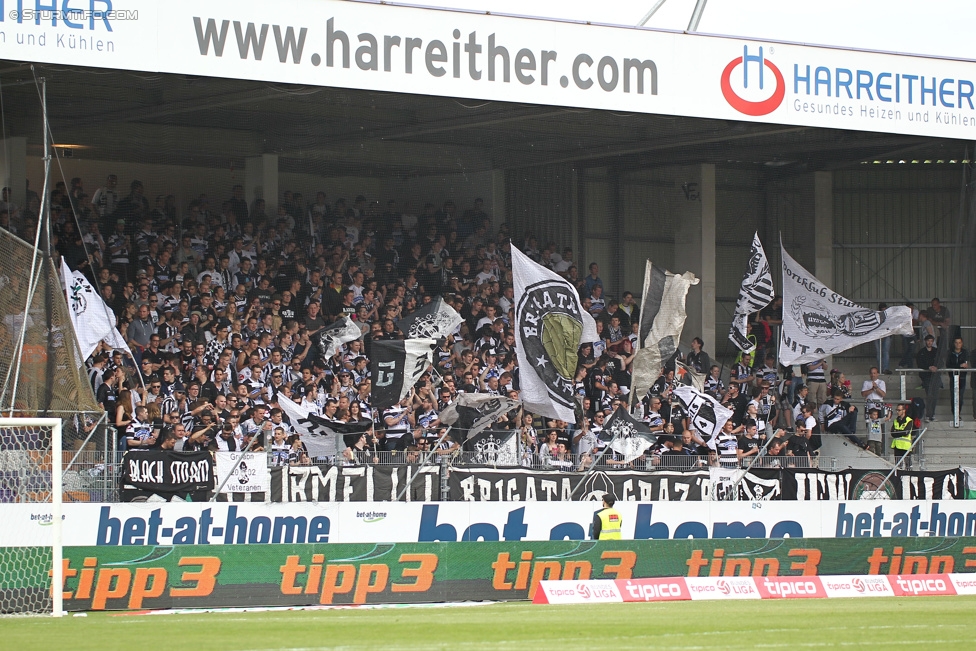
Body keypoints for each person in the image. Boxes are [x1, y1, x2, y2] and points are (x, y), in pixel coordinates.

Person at [916, 334, 940, 421]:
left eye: (931, 341)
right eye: (928, 341)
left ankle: (932, 414)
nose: (929, 342)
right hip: (926, 377)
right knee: (929, 395)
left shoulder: (936, 351)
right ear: (925, 341)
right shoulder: (921, 352)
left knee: (934, 396)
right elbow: (920, 363)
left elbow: (940, 361)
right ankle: (928, 414)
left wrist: (936, 367)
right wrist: (929, 367)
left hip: (935, 377)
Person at [947, 336, 969, 422]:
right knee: (953, 397)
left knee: (960, 397)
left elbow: (965, 365)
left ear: (962, 343)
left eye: (959, 343)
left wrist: (962, 366)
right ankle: (954, 413)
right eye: (956, 342)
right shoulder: (950, 353)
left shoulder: (965, 352)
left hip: (962, 378)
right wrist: (959, 366)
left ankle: (958, 414)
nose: (958, 344)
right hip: (953, 378)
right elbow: (949, 365)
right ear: (954, 343)